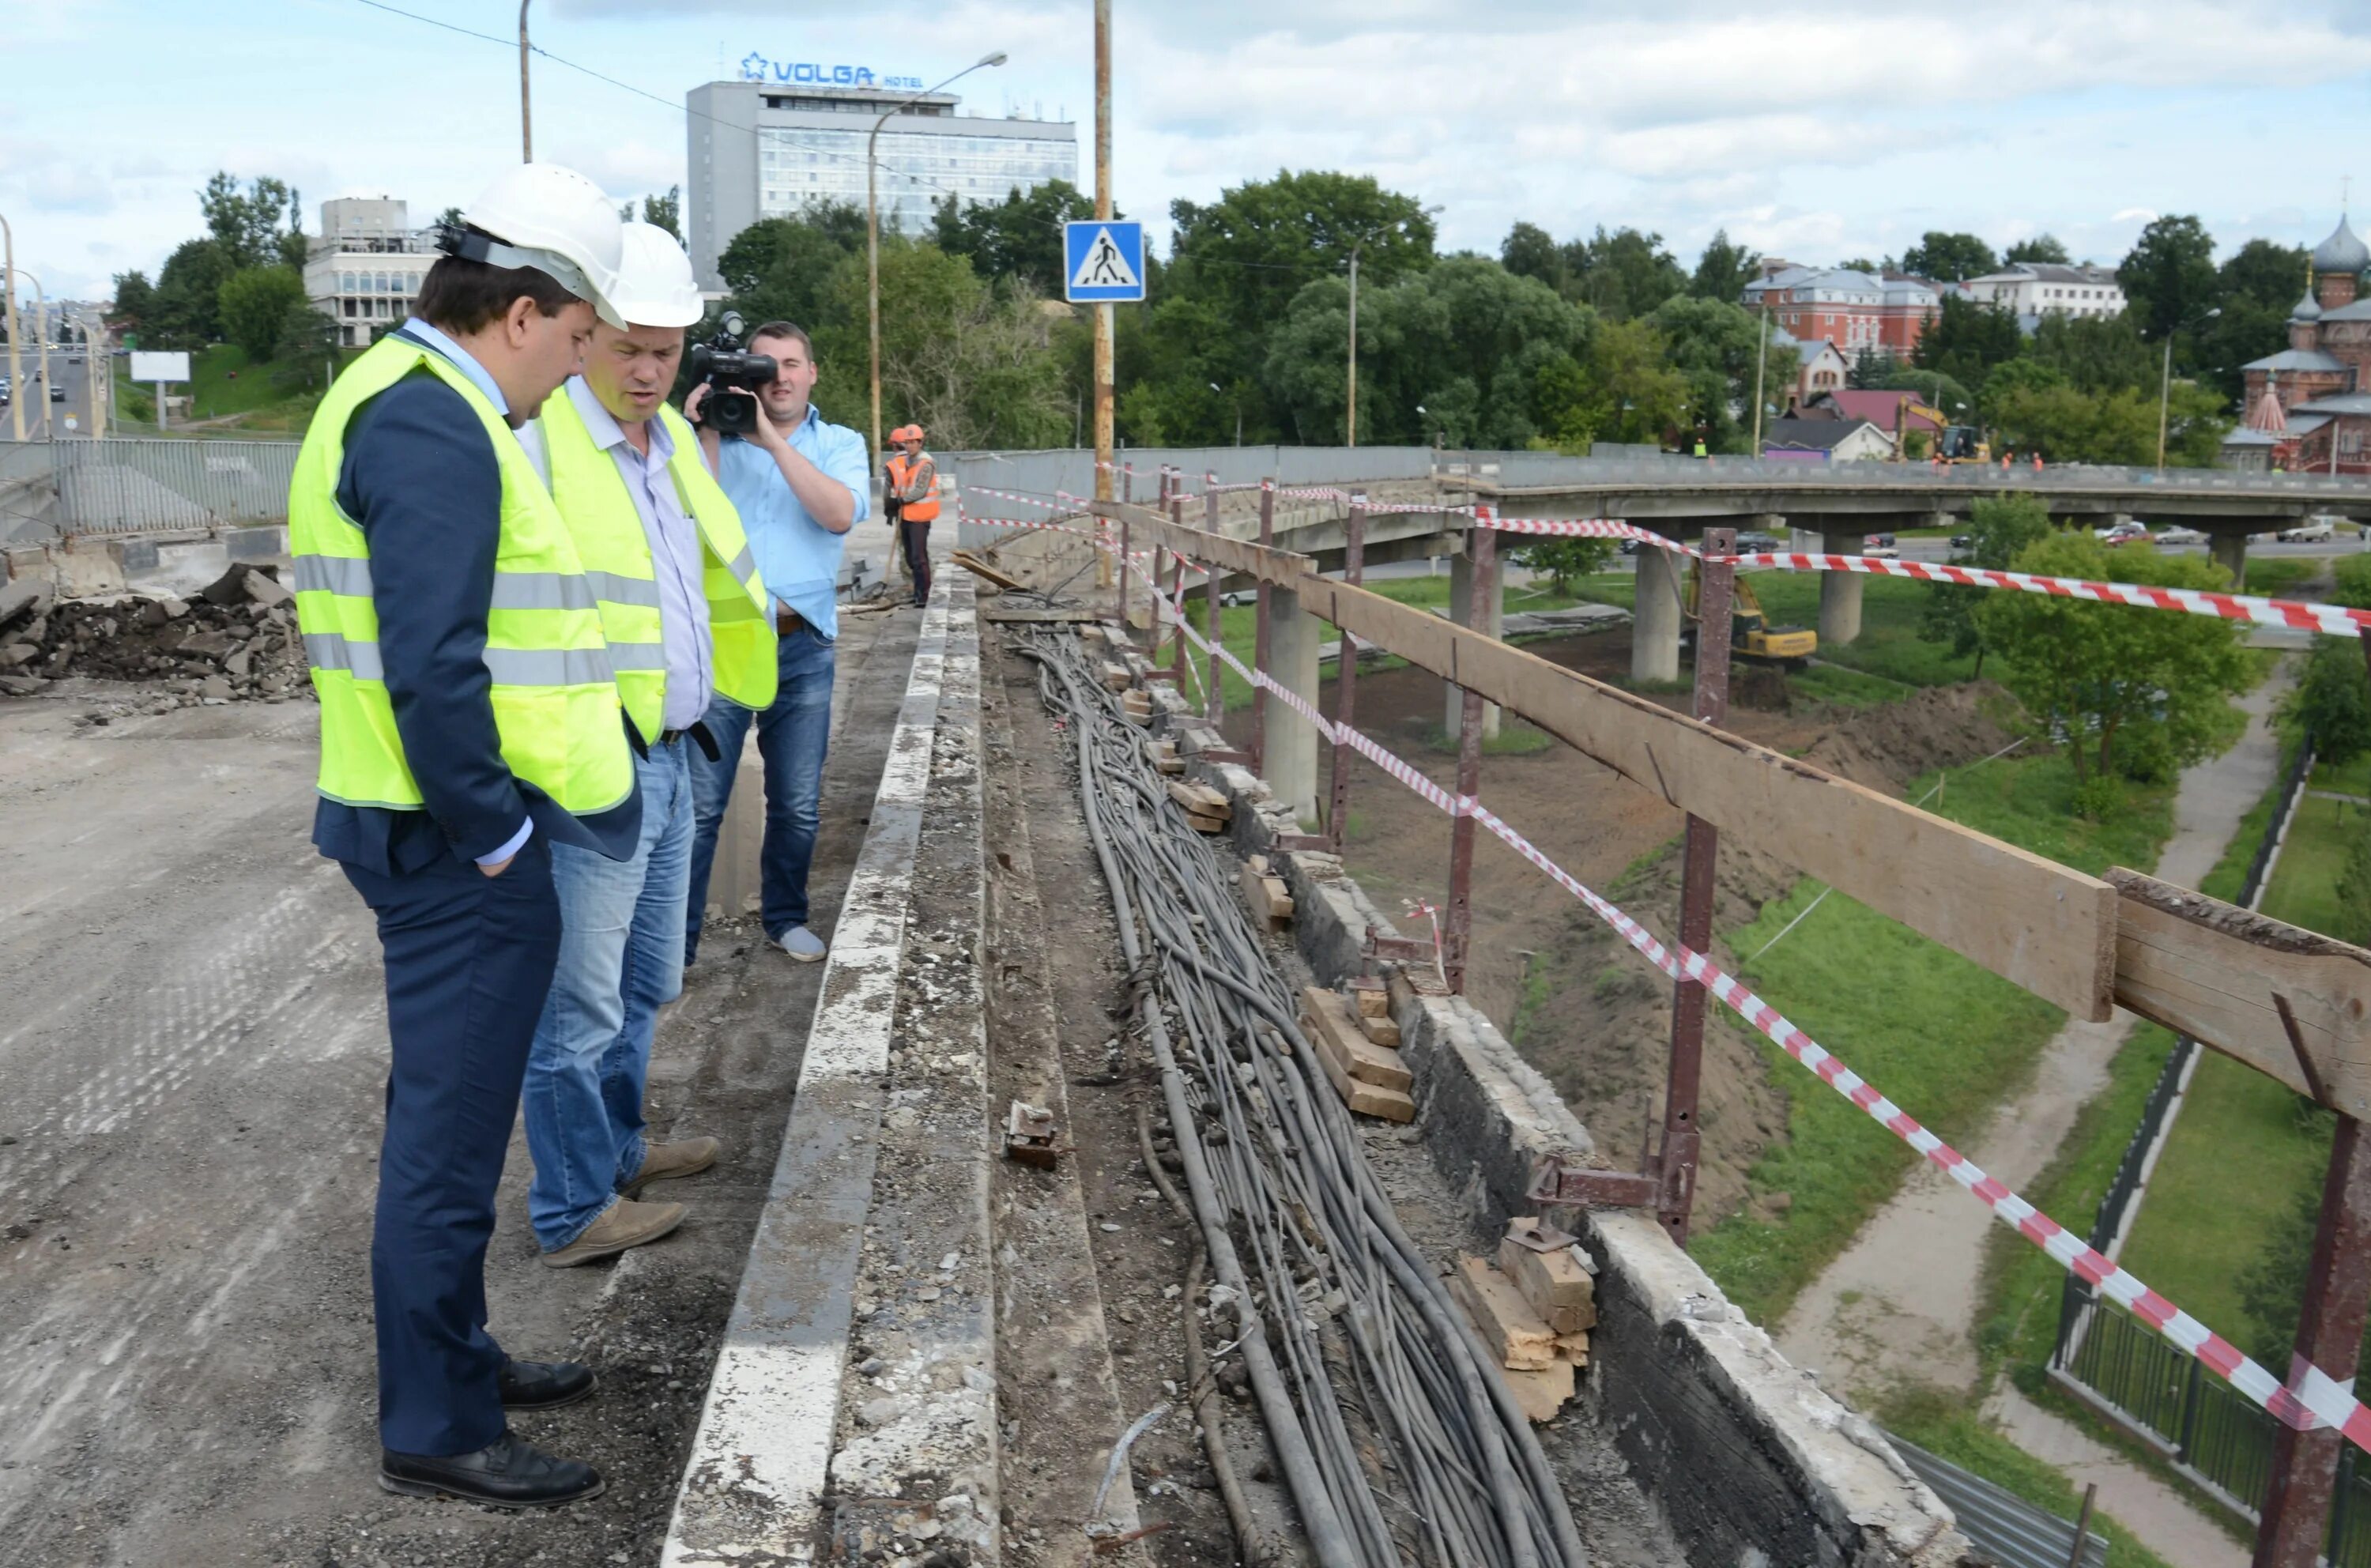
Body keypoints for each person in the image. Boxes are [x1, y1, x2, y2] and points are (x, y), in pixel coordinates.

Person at [288, 163, 635, 1509]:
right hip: (450, 844)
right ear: (526, 311)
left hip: (412, 824)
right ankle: (437, 1415)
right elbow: (436, 668)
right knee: (443, 1139)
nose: (577, 367)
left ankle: (464, 1356)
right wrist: (497, 837)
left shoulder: (394, 393)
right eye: (579, 337)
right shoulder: (435, 424)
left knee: (448, 1117)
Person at [516, 224, 777, 1268]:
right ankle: (572, 1209)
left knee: (644, 984)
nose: (647, 369)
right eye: (629, 346)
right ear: (584, 334)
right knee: (577, 1001)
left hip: (677, 755)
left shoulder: (671, 445)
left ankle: (620, 1152)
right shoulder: (540, 447)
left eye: (666, 351)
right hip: (594, 763)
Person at [681, 322, 869, 965]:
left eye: (791, 364)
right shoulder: (715, 439)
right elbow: (686, 509)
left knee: (796, 803)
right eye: (767, 366)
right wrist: (707, 428)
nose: (780, 376)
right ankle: (674, 944)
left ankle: (785, 917)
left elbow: (837, 514)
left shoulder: (840, 443)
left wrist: (765, 436)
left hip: (802, 644)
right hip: (725, 644)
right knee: (702, 806)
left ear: (812, 372)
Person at [887, 424, 938, 609]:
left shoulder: (926, 463)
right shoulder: (908, 462)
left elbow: (920, 491)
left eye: (912, 442)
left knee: (919, 558)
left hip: (920, 518)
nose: (909, 446)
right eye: (906, 443)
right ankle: (917, 592)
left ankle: (924, 595)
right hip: (907, 516)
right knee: (910, 558)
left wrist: (900, 501)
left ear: (920, 442)